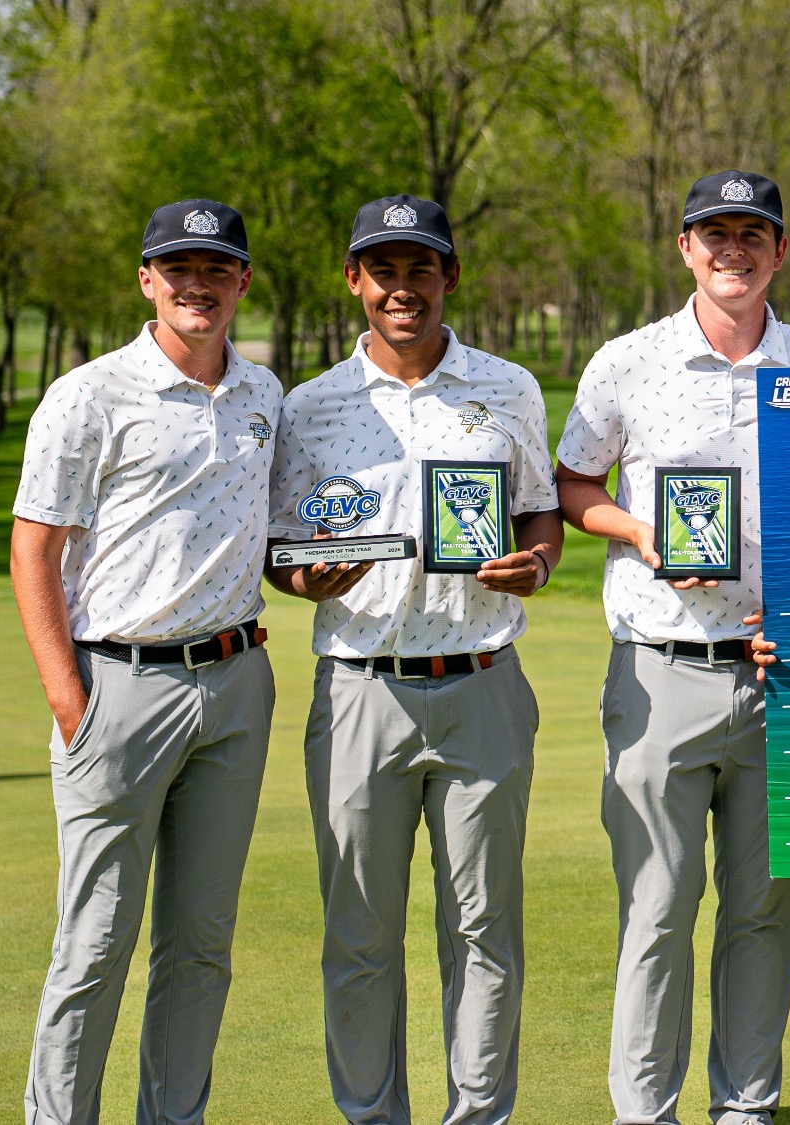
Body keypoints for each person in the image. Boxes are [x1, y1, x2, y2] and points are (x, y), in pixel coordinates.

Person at [554, 170, 790, 1125]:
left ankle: (745, 1107)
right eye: (712, 233)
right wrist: (642, 535)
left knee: (763, 912)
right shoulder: (625, 362)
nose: (732, 249)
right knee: (657, 911)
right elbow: (574, 485)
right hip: (659, 666)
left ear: (779, 249)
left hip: (783, 675)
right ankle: (645, 1112)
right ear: (684, 248)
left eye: (751, 233)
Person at [266, 194, 562, 1125]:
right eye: (382, 269)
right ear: (354, 280)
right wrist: (305, 580)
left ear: (450, 276)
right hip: (360, 688)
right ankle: (372, 1116)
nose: (402, 288)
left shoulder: (506, 386)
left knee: (483, 930)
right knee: (360, 933)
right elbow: (282, 547)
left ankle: (479, 1116)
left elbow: (541, 510)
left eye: (419, 268)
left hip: (481, 682)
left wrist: (539, 561)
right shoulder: (309, 406)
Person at [13, 200, 279, 1125]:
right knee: (94, 942)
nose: (196, 284)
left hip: (238, 682)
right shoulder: (89, 394)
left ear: (242, 280)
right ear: (146, 280)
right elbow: (34, 548)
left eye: (215, 268)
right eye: (178, 268)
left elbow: (282, 537)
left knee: (200, 944)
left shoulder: (264, 396)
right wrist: (69, 699)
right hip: (115, 687)